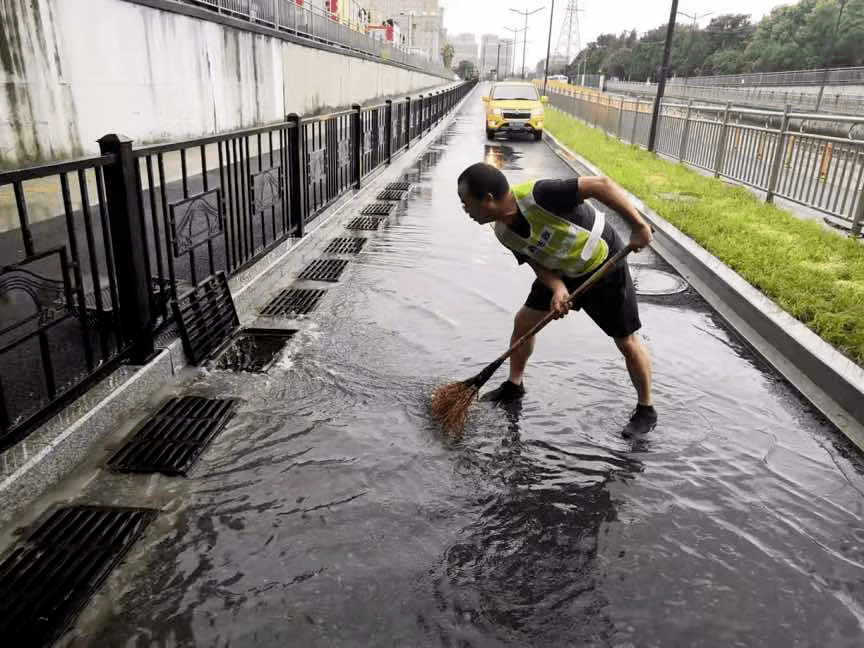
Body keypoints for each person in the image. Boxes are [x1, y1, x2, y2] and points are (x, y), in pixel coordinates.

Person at [456, 162, 657, 437]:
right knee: (524, 322)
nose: (465, 210)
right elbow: (537, 264)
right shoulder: (503, 232)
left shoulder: (540, 195)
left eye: (466, 203)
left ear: (488, 200)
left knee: (626, 340)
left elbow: (601, 185)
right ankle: (514, 385)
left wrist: (638, 224)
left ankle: (646, 409)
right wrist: (558, 288)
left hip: (602, 259)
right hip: (562, 268)